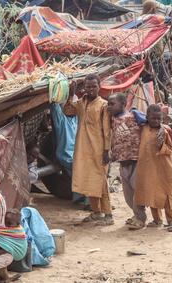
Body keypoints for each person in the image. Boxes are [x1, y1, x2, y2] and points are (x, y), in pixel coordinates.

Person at [63, 74, 113, 225]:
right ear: (84, 87)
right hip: (83, 149)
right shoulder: (80, 103)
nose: (91, 90)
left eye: (94, 87)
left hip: (98, 149)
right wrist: (70, 94)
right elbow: (67, 111)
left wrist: (106, 150)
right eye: (88, 87)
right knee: (88, 180)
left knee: (101, 181)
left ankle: (108, 215)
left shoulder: (103, 105)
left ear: (99, 87)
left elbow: (107, 130)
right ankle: (96, 212)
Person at [133, 105, 172, 231]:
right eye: (153, 118)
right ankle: (157, 220)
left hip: (163, 168)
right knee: (151, 192)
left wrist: (161, 146)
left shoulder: (164, 131)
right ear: (147, 117)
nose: (156, 121)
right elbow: (135, 112)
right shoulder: (144, 129)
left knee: (166, 194)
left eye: (159, 119)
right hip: (147, 167)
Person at [106, 93, 147, 229]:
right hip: (122, 163)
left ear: (123, 104)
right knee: (128, 195)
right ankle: (136, 214)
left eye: (112, 104)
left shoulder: (133, 117)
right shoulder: (113, 120)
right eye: (108, 104)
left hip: (135, 161)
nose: (109, 107)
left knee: (138, 193)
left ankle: (141, 218)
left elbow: (149, 125)